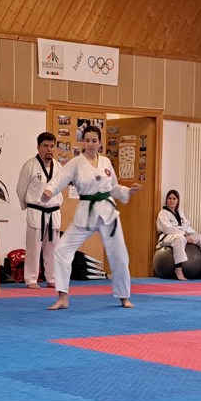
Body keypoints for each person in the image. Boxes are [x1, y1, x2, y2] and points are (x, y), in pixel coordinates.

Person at [42, 125, 139, 310]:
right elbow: (60, 178)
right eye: (87, 140)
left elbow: (113, 188)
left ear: (100, 143)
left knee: (119, 255)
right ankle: (62, 297)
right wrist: (49, 190)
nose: (91, 144)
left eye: (94, 140)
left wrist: (128, 191)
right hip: (86, 213)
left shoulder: (106, 162)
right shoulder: (76, 163)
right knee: (62, 249)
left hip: (108, 213)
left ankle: (124, 296)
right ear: (83, 143)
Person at [16, 132, 62, 289]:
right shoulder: (30, 166)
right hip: (36, 211)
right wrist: (27, 206)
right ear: (38, 147)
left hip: (54, 211)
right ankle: (31, 279)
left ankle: (52, 278)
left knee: (53, 247)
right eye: (45, 146)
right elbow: (21, 189)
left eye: (52, 146)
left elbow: (61, 187)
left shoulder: (58, 166)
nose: (49, 149)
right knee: (33, 248)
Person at [156, 189, 201, 271]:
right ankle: (178, 269)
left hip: (183, 234)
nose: (171, 201)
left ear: (178, 200)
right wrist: (183, 234)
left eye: (174, 199)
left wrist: (192, 234)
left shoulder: (180, 212)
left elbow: (186, 224)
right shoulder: (163, 213)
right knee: (180, 238)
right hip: (167, 237)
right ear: (166, 200)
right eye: (169, 198)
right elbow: (167, 229)